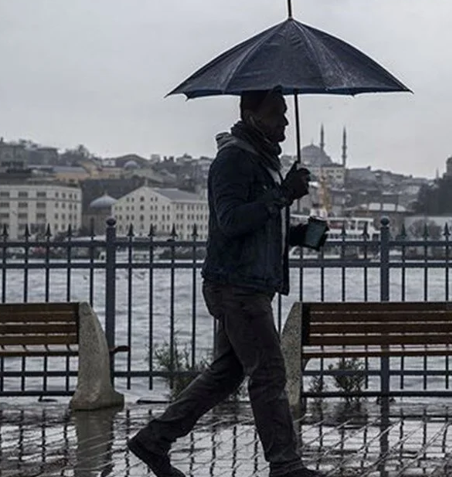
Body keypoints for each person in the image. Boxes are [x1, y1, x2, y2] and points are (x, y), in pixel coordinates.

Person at [128, 86, 326, 477]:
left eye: (286, 113)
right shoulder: (233, 159)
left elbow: (261, 224)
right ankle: (285, 465)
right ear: (253, 116)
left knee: (226, 373)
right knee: (268, 372)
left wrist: (301, 234)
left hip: (249, 285)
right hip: (236, 287)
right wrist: (284, 194)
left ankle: (154, 440)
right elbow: (232, 221)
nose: (285, 120)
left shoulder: (263, 161)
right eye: (277, 113)